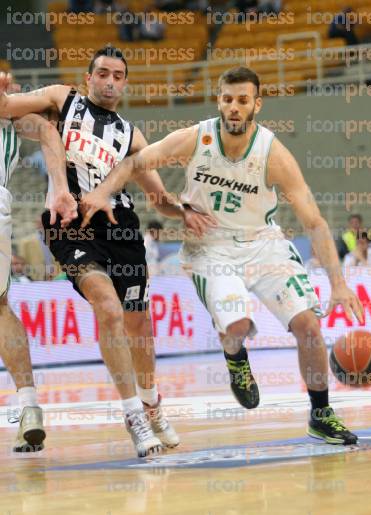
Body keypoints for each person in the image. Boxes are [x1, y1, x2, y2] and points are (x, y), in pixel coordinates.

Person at [80, 66, 365, 445]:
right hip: (210, 248)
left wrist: (339, 283)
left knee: (310, 327)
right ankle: (235, 356)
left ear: (256, 105)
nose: (234, 107)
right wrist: (101, 193)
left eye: (243, 100)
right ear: (219, 101)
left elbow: (313, 220)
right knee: (238, 326)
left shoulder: (272, 152)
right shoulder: (196, 138)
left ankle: (321, 413)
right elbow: (136, 163)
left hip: (264, 244)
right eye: (228, 99)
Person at [0, 47, 214, 457]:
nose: (110, 81)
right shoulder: (63, 99)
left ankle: (152, 406)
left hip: (122, 231)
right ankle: (132, 414)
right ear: (88, 78)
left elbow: (158, 196)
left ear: (125, 83)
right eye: (102, 73)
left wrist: (182, 210)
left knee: (138, 325)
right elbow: (7, 107)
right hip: (71, 224)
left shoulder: (131, 136)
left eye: (118, 75)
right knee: (108, 308)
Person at [0, 108, 78, 452]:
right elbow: (48, 129)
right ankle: (29, 407)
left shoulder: (9, 108)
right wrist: (58, 188)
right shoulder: (12, 112)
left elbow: (48, 127)